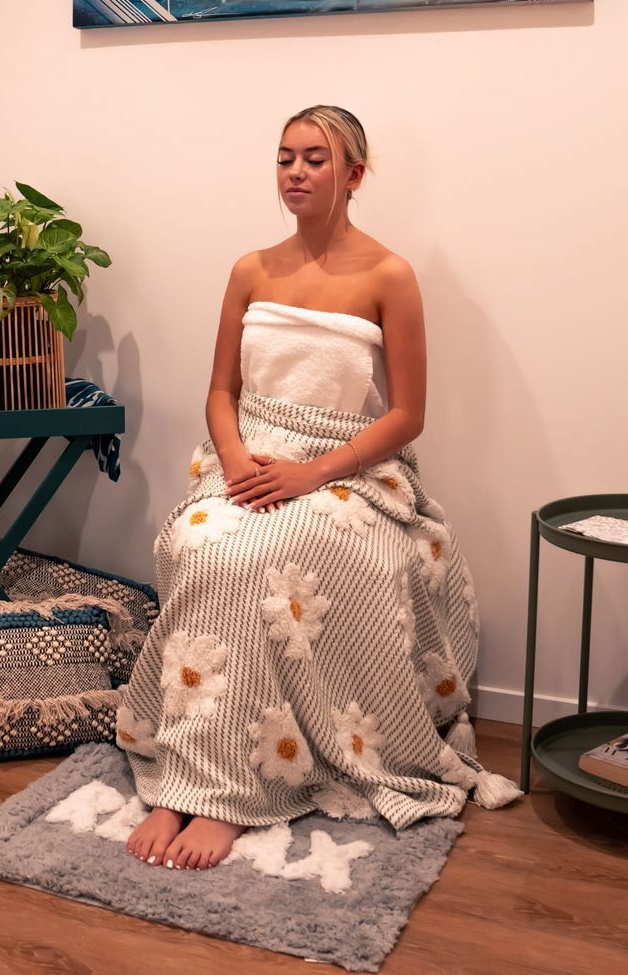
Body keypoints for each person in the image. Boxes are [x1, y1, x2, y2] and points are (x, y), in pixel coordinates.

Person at [116, 105, 518, 873]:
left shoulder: (389, 276)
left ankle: (225, 791)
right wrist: (234, 458)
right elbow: (219, 390)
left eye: (315, 160)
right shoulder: (251, 270)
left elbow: (407, 414)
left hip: (345, 468)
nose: (295, 173)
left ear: (354, 175)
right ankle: (184, 775)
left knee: (271, 559)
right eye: (284, 158)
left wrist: (311, 473)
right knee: (202, 545)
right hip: (249, 454)